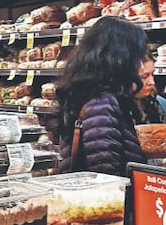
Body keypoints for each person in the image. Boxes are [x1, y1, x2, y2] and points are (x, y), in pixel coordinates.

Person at [55, 16, 148, 176]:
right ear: (122, 57)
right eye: (137, 56)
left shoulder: (86, 93)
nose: (139, 64)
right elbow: (105, 172)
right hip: (107, 199)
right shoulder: (101, 104)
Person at [133, 51, 166, 125]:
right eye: (144, 76)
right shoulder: (114, 110)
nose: (152, 82)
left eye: (152, 74)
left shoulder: (160, 103)